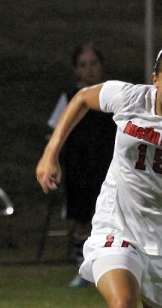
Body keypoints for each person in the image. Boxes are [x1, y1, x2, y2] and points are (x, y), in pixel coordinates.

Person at [36, 41, 162, 307]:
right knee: (124, 302)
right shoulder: (131, 98)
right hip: (118, 227)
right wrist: (50, 153)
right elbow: (82, 98)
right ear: (155, 80)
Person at [46, 41, 117, 287]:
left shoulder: (113, 96)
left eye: (93, 64)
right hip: (79, 168)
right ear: (76, 69)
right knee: (82, 219)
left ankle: (110, 270)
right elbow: (55, 132)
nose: (89, 70)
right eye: (83, 65)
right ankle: (83, 270)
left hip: (109, 168)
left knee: (109, 220)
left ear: (102, 66)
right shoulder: (69, 98)